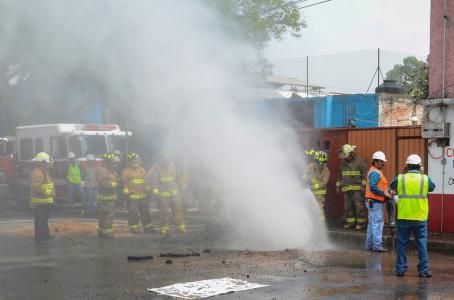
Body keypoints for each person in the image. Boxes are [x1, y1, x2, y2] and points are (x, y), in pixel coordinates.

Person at [390, 154, 435, 278]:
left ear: (407, 166)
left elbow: (391, 186)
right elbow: (432, 188)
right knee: (421, 244)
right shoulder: (425, 179)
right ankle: (424, 270)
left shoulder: (400, 178)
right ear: (420, 166)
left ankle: (400, 269)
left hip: (404, 217)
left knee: (402, 244)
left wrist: (403, 174)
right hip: (420, 218)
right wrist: (422, 173)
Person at [147, 151, 186, 235]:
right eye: (164, 159)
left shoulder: (173, 167)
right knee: (164, 211)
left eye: (168, 159)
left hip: (174, 193)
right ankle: (164, 227)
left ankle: (181, 227)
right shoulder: (157, 168)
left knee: (178, 210)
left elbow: (178, 176)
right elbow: (154, 179)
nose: (167, 161)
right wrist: (155, 188)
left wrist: (182, 185)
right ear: (161, 160)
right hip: (163, 194)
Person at [336, 144, 368, 230]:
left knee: (359, 207)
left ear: (351, 154)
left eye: (346, 156)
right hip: (346, 188)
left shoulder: (360, 161)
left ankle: (361, 224)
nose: (345, 158)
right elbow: (339, 175)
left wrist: (363, 186)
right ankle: (351, 223)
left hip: (357, 189)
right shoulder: (343, 163)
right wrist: (338, 186)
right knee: (348, 207)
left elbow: (365, 175)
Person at [365, 151, 391, 252]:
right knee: (377, 224)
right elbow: (373, 187)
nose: (383, 163)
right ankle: (377, 246)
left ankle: (369, 245)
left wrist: (387, 191)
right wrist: (385, 194)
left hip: (373, 201)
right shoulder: (375, 172)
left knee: (372, 224)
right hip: (375, 202)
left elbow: (378, 186)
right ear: (375, 161)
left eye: (384, 162)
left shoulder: (375, 171)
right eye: (381, 161)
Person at [121, 152, 152, 233]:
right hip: (132, 196)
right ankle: (134, 228)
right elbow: (124, 183)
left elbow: (146, 180)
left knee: (145, 212)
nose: (136, 161)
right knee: (133, 213)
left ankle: (148, 227)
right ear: (130, 161)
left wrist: (147, 187)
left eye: (137, 160)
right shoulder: (126, 171)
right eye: (134, 160)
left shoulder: (142, 170)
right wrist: (127, 194)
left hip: (142, 195)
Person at [30, 152, 55, 244]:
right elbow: (36, 186)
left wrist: (52, 193)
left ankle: (45, 236)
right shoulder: (37, 172)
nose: (49, 164)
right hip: (40, 201)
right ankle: (40, 239)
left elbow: (48, 184)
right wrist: (46, 193)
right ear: (42, 162)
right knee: (41, 221)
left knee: (43, 220)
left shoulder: (44, 171)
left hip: (45, 201)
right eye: (48, 162)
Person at [96, 152, 120, 238]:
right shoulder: (103, 170)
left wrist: (116, 183)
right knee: (107, 216)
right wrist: (113, 185)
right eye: (112, 162)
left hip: (110, 197)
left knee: (105, 216)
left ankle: (102, 231)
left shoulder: (112, 171)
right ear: (107, 162)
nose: (114, 164)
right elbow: (104, 183)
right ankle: (106, 233)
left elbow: (118, 180)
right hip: (105, 198)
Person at [302, 150, 330, 221]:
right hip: (309, 193)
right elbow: (304, 175)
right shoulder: (310, 166)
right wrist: (306, 180)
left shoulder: (326, 170)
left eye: (323, 163)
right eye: (319, 163)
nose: (321, 165)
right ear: (315, 160)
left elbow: (323, 184)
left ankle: (320, 223)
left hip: (319, 195)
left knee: (319, 209)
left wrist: (313, 187)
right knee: (307, 208)